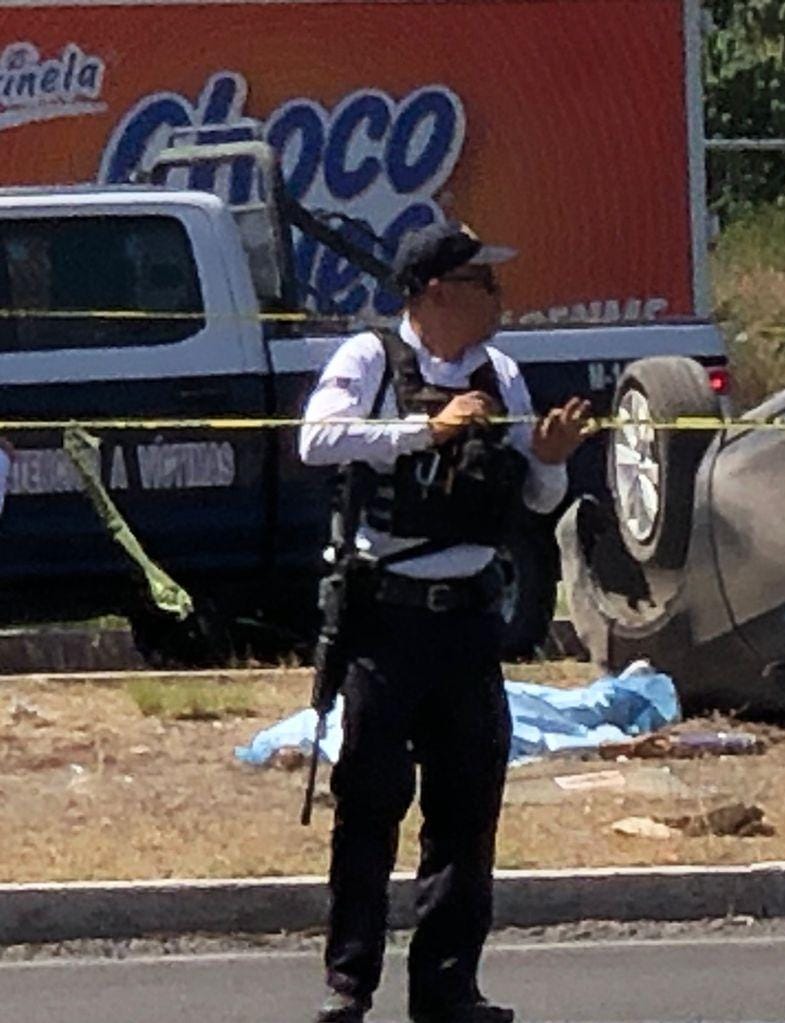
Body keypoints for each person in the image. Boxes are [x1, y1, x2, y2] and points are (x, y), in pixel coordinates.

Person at [298, 221, 591, 1023]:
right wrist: (422, 431)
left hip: (468, 623)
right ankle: (349, 983)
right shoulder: (369, 359)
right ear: (435, 292)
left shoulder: (504, 375)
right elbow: (317, 440)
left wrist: (554, 456)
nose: (499, 298)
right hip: (384, 621)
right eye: (483, 283)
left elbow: (535, 500)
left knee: (466, 811)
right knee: (369, 800)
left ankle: (448, 988)